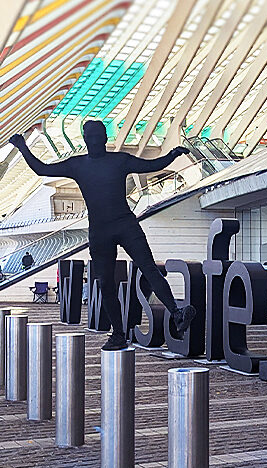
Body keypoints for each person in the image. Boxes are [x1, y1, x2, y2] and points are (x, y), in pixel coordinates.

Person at [9, 122, 195, 350]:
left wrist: (172, 156)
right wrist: (21, 146)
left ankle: (163, 318)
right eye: (91, 136)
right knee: (121, 277)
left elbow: (153, 165)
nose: (95, 140)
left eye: (97, 136)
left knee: (129, 275)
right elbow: (41, 169)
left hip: (112, 227)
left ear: (103, 138)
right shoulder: (105, 162)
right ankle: (142, 325)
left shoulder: (93, 163)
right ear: (87, 139)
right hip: (114, 227)